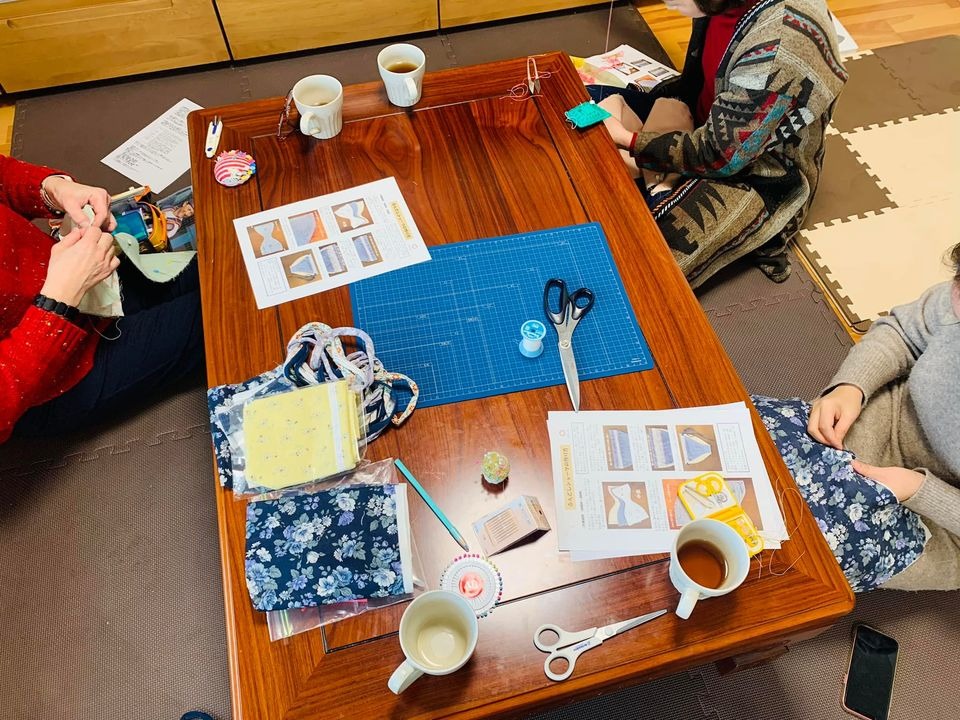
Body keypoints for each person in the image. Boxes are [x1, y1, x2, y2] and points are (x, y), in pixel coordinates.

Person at [753, 243, 960, 591]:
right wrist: (851, 387)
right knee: (748, 437)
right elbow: (903, 333)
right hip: (886, 420)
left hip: (944, 519)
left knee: (804, 546)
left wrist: (918, 490)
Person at [595, 0, 846, 287]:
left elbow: (720, 155)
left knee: (641, 265)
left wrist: (627, 139)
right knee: (573, 104)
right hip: (706, 118)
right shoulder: (719, 5)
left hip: (758, 169)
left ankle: (767, 232)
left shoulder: (781, 46)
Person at [0, 154, 204, 443]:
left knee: (220, 264)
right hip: (52, 377)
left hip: (83, 281)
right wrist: (57, 300)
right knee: (226, 313)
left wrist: (51, 189)